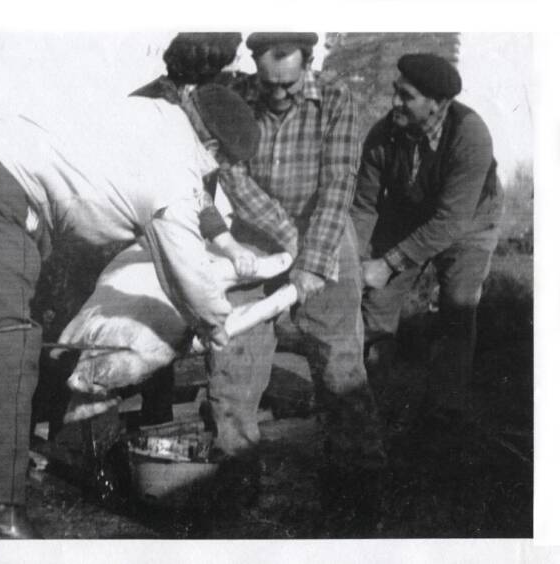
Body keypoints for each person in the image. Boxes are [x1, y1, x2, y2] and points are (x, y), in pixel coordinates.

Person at [0, 84, 261, 538]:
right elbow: (189, 277)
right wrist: (214, 326)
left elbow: (192, 200)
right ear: (213, 147)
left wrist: (227, 243)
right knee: (9, 339)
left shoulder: (155, 116)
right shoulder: (174, 174)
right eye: (223, 163)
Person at [211, 32, 387, 531]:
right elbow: (232, 175)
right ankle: (236, 484)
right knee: (233, 361)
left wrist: (311, 259)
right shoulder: (237, 98)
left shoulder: (336, 98)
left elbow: (339, 185)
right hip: (256, 236)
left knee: (339, 368)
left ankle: (357, 496)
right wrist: (287, 238)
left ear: (308, 63)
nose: (279, 94)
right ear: (254, 65)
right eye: (269, 84)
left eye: (288, 84)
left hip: (326, 234)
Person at [351, 53, 504, 439]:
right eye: (395, 92)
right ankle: (368, 402)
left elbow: (450, 222)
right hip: (408, 215)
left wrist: (387, 264)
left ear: (437, 103)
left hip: (470, 221)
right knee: (377, 303)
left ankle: (444, 413)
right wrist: (356, 260)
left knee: (458, 306)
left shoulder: (471, 135)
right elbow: (365, 206)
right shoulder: (383, 135)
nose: (394, 103)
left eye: (406, 96)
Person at [130, 32, 255, 426]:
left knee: (165, 322)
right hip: (138, 234)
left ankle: (154, 421)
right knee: (141, 322)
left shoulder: (198, 105)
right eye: (227, 71)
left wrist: (226, 242)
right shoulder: (158, 111)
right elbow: (174, 194)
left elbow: (197, 194)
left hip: (173, 222)